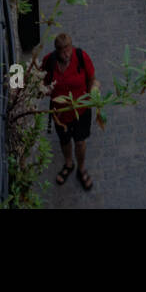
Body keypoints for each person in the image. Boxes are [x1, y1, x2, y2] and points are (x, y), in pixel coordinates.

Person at [42, 33, 100, 190]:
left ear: (72, 47)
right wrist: (44, 89)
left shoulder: (81, 57)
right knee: (65, 141)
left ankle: (81, 168)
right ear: (56, 50)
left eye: (68, 49)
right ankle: (69, 163)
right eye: (62, 50)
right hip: (60, 114)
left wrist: (93, 93)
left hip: (81, 111)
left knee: (80, 142)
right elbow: (41, 82)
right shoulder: (49, 61)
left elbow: (93, 80)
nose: (66, 53)